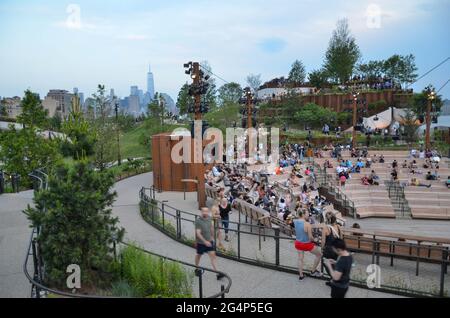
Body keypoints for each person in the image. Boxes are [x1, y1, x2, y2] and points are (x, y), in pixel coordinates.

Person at [195, 207, 224, 280]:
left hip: (209, 241)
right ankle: (196, 268)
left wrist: (213, 238)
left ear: (208, 212)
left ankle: (218, 273)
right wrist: (205, 241)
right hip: (201, 242)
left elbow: (211, 227)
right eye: (203, 211)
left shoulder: (209, 218)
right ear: (201, 212)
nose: (205, 213)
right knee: (199, 255)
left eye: (206, 211)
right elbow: (198, 233)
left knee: (213, 257)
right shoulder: (198, 221)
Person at [293, 210, 323, 280]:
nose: (308, 215)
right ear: (303, 214)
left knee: (300, 259)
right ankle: (313, 271)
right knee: (319, 255)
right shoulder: (307, 224)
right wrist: (315, 240)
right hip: (306, 244)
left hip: (298, 243)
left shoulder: (295, 221)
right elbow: (310, 237)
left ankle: (301, 275)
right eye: (307, 214)